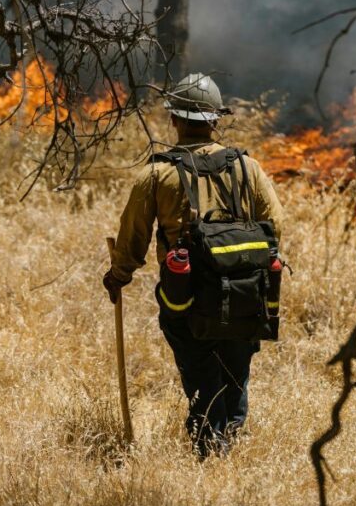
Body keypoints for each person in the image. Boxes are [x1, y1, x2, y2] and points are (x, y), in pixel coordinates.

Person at [103, 73, 285, 457]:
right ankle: (230, 447)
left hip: (186, 299)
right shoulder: (247, 168)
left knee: (202, 375)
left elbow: (132, 238)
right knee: (235, 376)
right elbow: (276, 225)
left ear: (174, 119)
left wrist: (118, 276)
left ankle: (211, 453)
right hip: (246, 294)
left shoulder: (158, 174)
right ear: (216, 120)